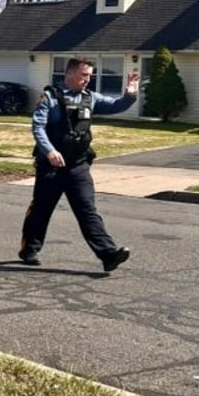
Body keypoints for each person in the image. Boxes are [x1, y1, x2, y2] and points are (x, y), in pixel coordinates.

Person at [19, 57, 139, 272]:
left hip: (78, 165)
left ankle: (108, 254)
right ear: (70, 74)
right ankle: (29, 249)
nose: (87, 79)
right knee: (41, 209)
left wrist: (130, 94)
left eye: (90, 76)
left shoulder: (90, 98)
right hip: (52, 166)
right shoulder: (50, 98)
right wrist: (50, 151)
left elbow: (116, 106)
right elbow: (38, 127)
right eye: (84, 75)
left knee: (87, 210)